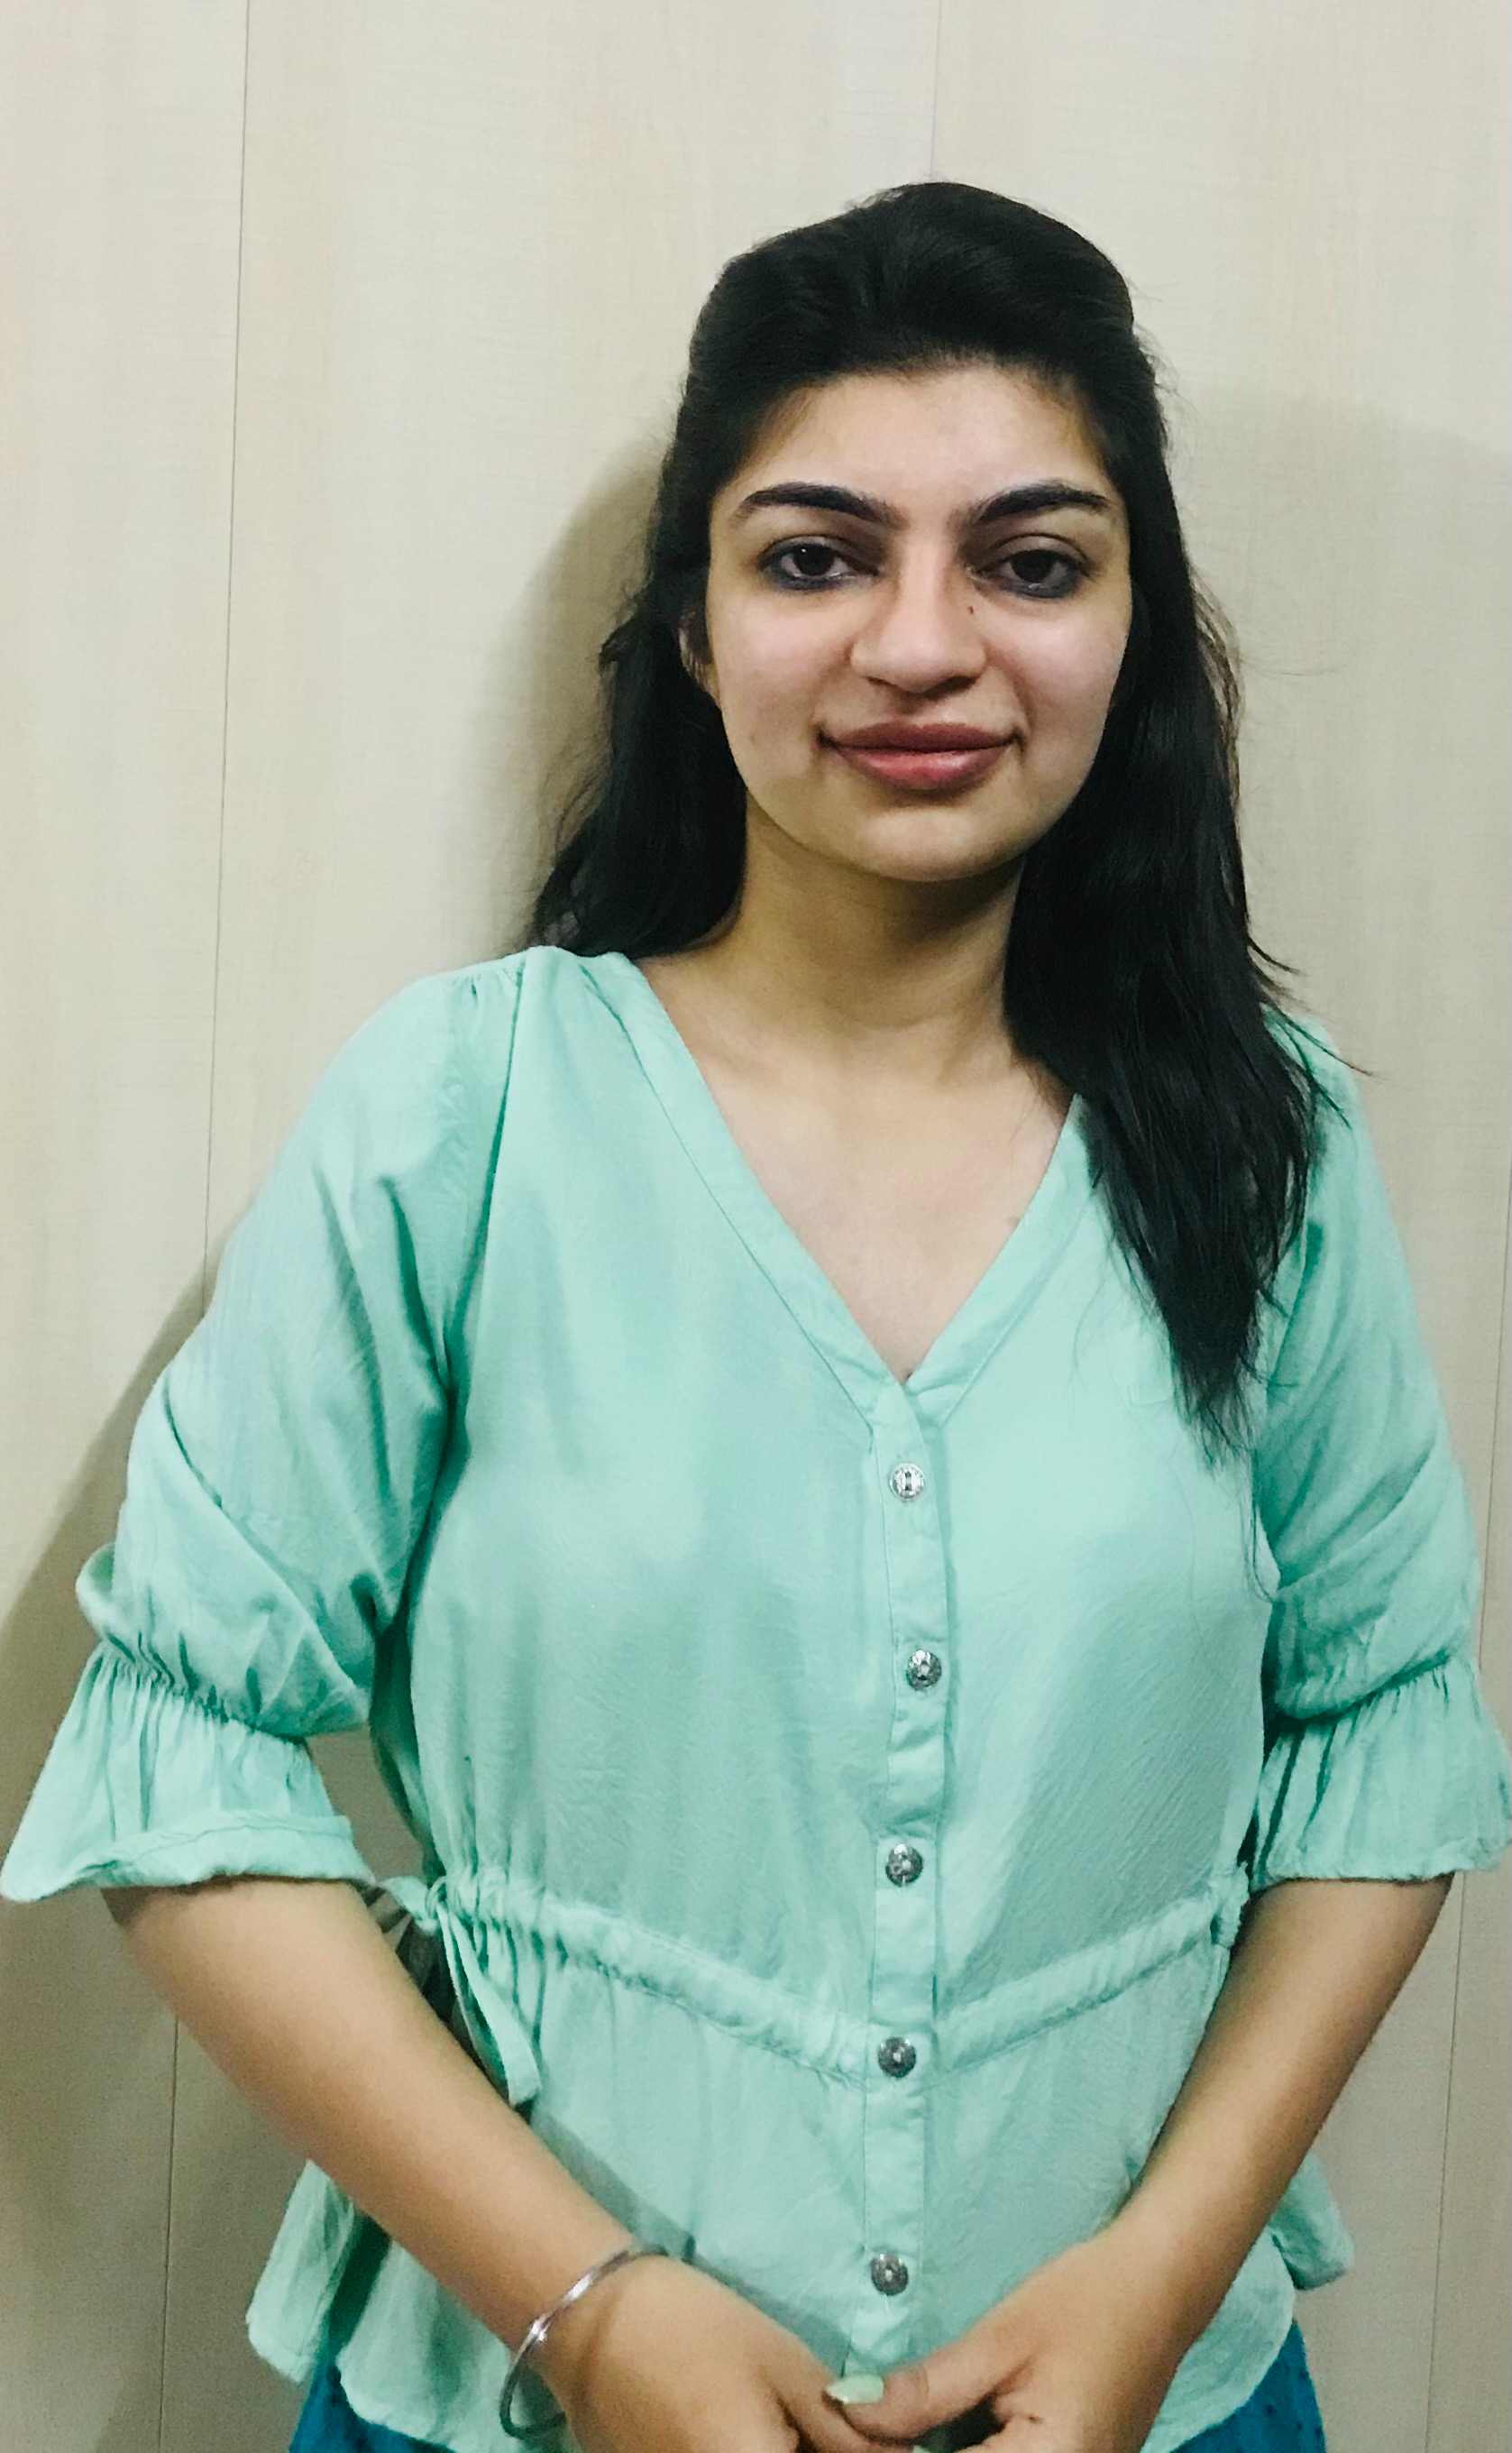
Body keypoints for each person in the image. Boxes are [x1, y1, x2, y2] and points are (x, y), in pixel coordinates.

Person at [4, 180, 1509, 2453]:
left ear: (1130, 629)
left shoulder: (1258, 1146)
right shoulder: (465, 1118)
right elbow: (177, 1760)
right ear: (696, 637)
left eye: (1028, 560)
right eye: (815, 556)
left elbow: (1380, 1735)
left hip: (1159, 2402)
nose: (920, 644)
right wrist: (591, 2313)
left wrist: (1152, 2283)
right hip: (511, 2402)